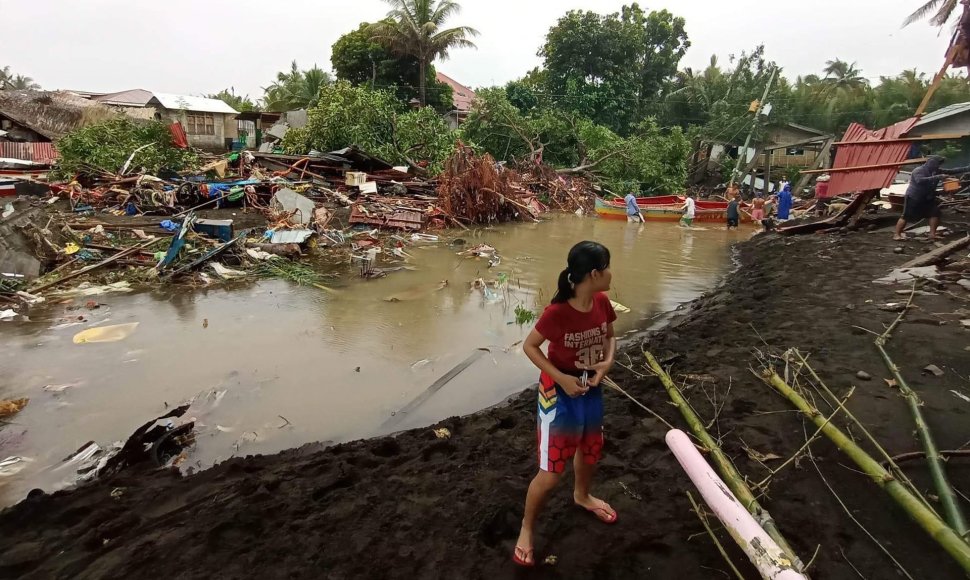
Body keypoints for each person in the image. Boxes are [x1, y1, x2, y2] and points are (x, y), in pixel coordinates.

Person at [514, 241, 618, 567]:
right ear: (595, 273)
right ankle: (526, 529)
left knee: (590, 450)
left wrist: (605, 365)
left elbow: (611, 336)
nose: (612, 273)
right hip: (558, 394)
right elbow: (530, 347)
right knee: (551, 472)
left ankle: (582, 496)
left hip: (591, 388)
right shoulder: (557, 313)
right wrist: (561, 378)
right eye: (608, 267)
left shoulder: (601, 302)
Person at [894, 156, 970, 241]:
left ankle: (932, 234)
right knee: (906, 216)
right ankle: (897, 234)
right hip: (914, 197)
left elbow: (952, 171)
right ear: (932, 163)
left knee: (935, 213)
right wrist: (938, 177)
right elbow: (920, 180)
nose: (938, 166)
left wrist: (967, 168)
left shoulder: (936, 170)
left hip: (928, 197)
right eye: (938, 164)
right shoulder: (919, 170)